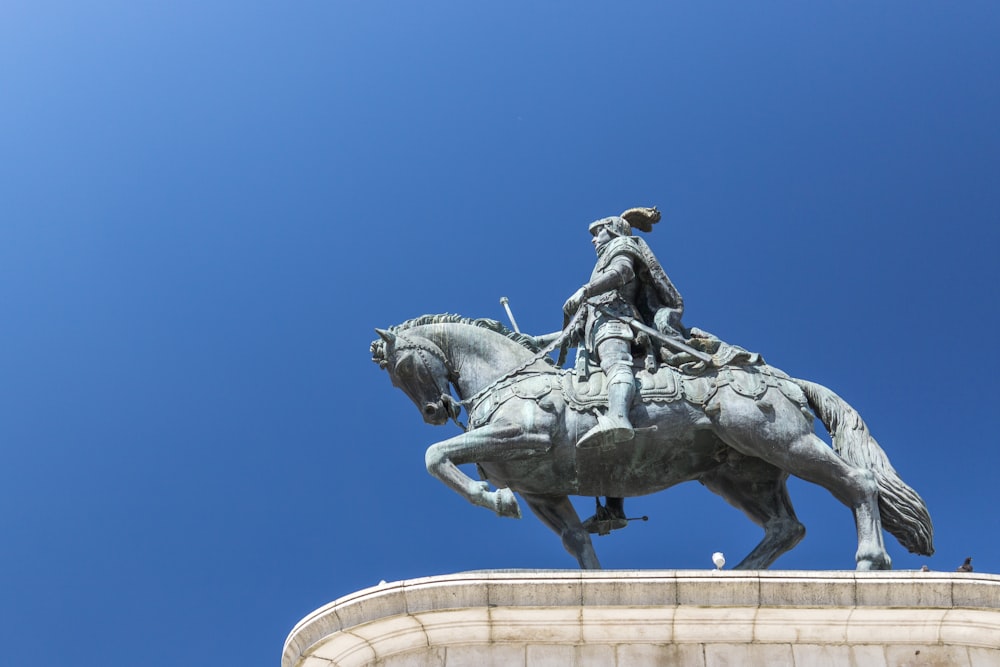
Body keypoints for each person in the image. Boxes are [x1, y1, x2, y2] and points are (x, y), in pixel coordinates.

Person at [562, 207, 686, 450]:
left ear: (612, 231)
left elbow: (623, 272)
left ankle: (618, 417)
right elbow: (570, 335)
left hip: (618, 319)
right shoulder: (602, 261)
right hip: (597, 325)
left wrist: (585, 291)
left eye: (598, 232)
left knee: (616, 363)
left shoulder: (621, 247)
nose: (593, 239)